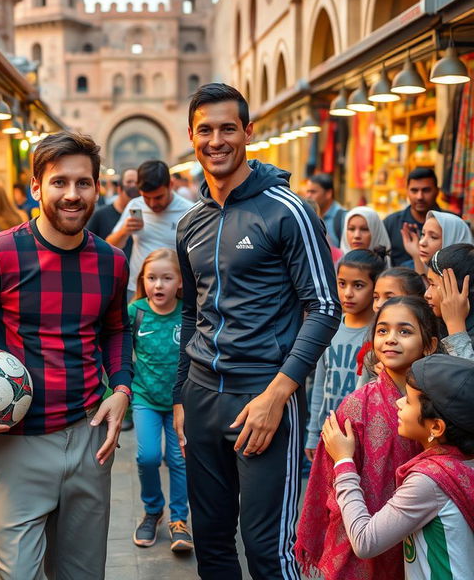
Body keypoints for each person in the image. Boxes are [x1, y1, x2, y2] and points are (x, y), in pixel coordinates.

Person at [0, 132, 133, 580]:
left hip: (89, 442)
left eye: (84, 183)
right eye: (59, 182)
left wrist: (121, 387)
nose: (72, 195)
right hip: (15, 448)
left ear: (98, 187)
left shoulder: (112, 262)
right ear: (36, 187)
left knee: (82, 575)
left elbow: (117, 330)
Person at [174, 83, 341, 579]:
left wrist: (277, 395)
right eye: (205, 129)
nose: (216, 140)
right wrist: (182, 395)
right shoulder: (190, 225)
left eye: (229, 128)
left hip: (265, 398)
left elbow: (325, 307)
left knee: (270, 551)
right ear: (191, 136)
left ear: (248, 133)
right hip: (203, 399)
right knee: (212, 543)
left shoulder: (287, 210)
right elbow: (190, 313)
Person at [296, 296, 440, 580]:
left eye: (405, 331)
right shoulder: (355, 406)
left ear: (430, 345)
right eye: (383, 330)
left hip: (424, 533)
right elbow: (327, 480)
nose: (391, 339)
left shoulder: (439, 402)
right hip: (361, 532)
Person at [322, 354, 474, 579]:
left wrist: (344, 462)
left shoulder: (429, 481)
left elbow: (365, 542)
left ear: (436, 427)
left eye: (409, 401)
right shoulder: (463, 461)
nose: (398, 402)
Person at [129, 249, 192, 553]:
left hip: (180, 403)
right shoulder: (135, 312)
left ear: (180, 282)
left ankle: (179, 519)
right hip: (145, 399)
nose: (159, 285)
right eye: (152, 278)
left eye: (167, 278)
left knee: (179, 460)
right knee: (148, 457)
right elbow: (118, 352)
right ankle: (153, 510)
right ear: (143, 280)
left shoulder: (188, 314)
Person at [304, 250, 385, 461]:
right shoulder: (329, 328)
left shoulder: (379, 334)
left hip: (365, 434)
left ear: (375, 287)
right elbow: (320, 384)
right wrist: (313, 434)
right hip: (331, 431)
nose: (348, 293)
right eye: (342, 284)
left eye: (358, 285)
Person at [107, 160, 194, 301]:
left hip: (175, 293)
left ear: (171, 185)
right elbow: (111, 246)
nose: (153, 204)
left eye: (158, 197)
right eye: (146, 198)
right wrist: (124, 231)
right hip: (137, 290)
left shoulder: (188, 211)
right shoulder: (135, 205)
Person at [384, 167, 446, 267]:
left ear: (437, 191)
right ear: (407, 191)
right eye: (414, 190)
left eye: (426, 190)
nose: (419, 197)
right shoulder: (391, 223)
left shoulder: (451, 224)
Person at [425, 243, 474, 359]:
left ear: (460, 288)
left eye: (433, 284)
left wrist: (455, 324)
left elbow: (464, 375)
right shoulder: (433, 322)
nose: (426, 294)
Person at [87, 168, 138, 261]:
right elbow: (88, 248)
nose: (134, 185)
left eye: (137, 182)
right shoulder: (100, 215)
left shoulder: (144, 215)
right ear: (119, 189)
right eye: (129, 182)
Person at [401, 209, 473, 275]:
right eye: (423, 234)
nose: (421, 242)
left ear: (453, 241)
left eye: (433, 237)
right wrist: (416, 256)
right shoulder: (407, 268)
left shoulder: (466, 284)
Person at [305, 173, 346, 247]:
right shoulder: (308, 215)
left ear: (328, 193)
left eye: (313, 192)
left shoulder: (343, 217)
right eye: (307, 191)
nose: (308, 196)